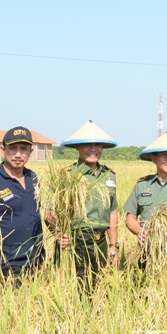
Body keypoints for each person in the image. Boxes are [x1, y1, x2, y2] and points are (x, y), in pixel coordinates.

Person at [49, 120, 120, 284]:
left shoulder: (109, 176)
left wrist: (113, 245)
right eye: (87, 144)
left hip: (100, 242)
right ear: (77, 147)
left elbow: (112, 211)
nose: (93, 149)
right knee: (75, 288)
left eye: (97, 144)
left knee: (101, 287)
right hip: (74, 242)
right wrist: (59, 233)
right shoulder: (67, 175)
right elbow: (50, 211)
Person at [0, 126, 45, 281]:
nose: (18, 154)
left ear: (30, 152)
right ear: (2, 149)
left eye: (23, 149)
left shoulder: (33, 177)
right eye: (12, 149)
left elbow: (39, 212)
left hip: (36, 259)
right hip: (7, 263)